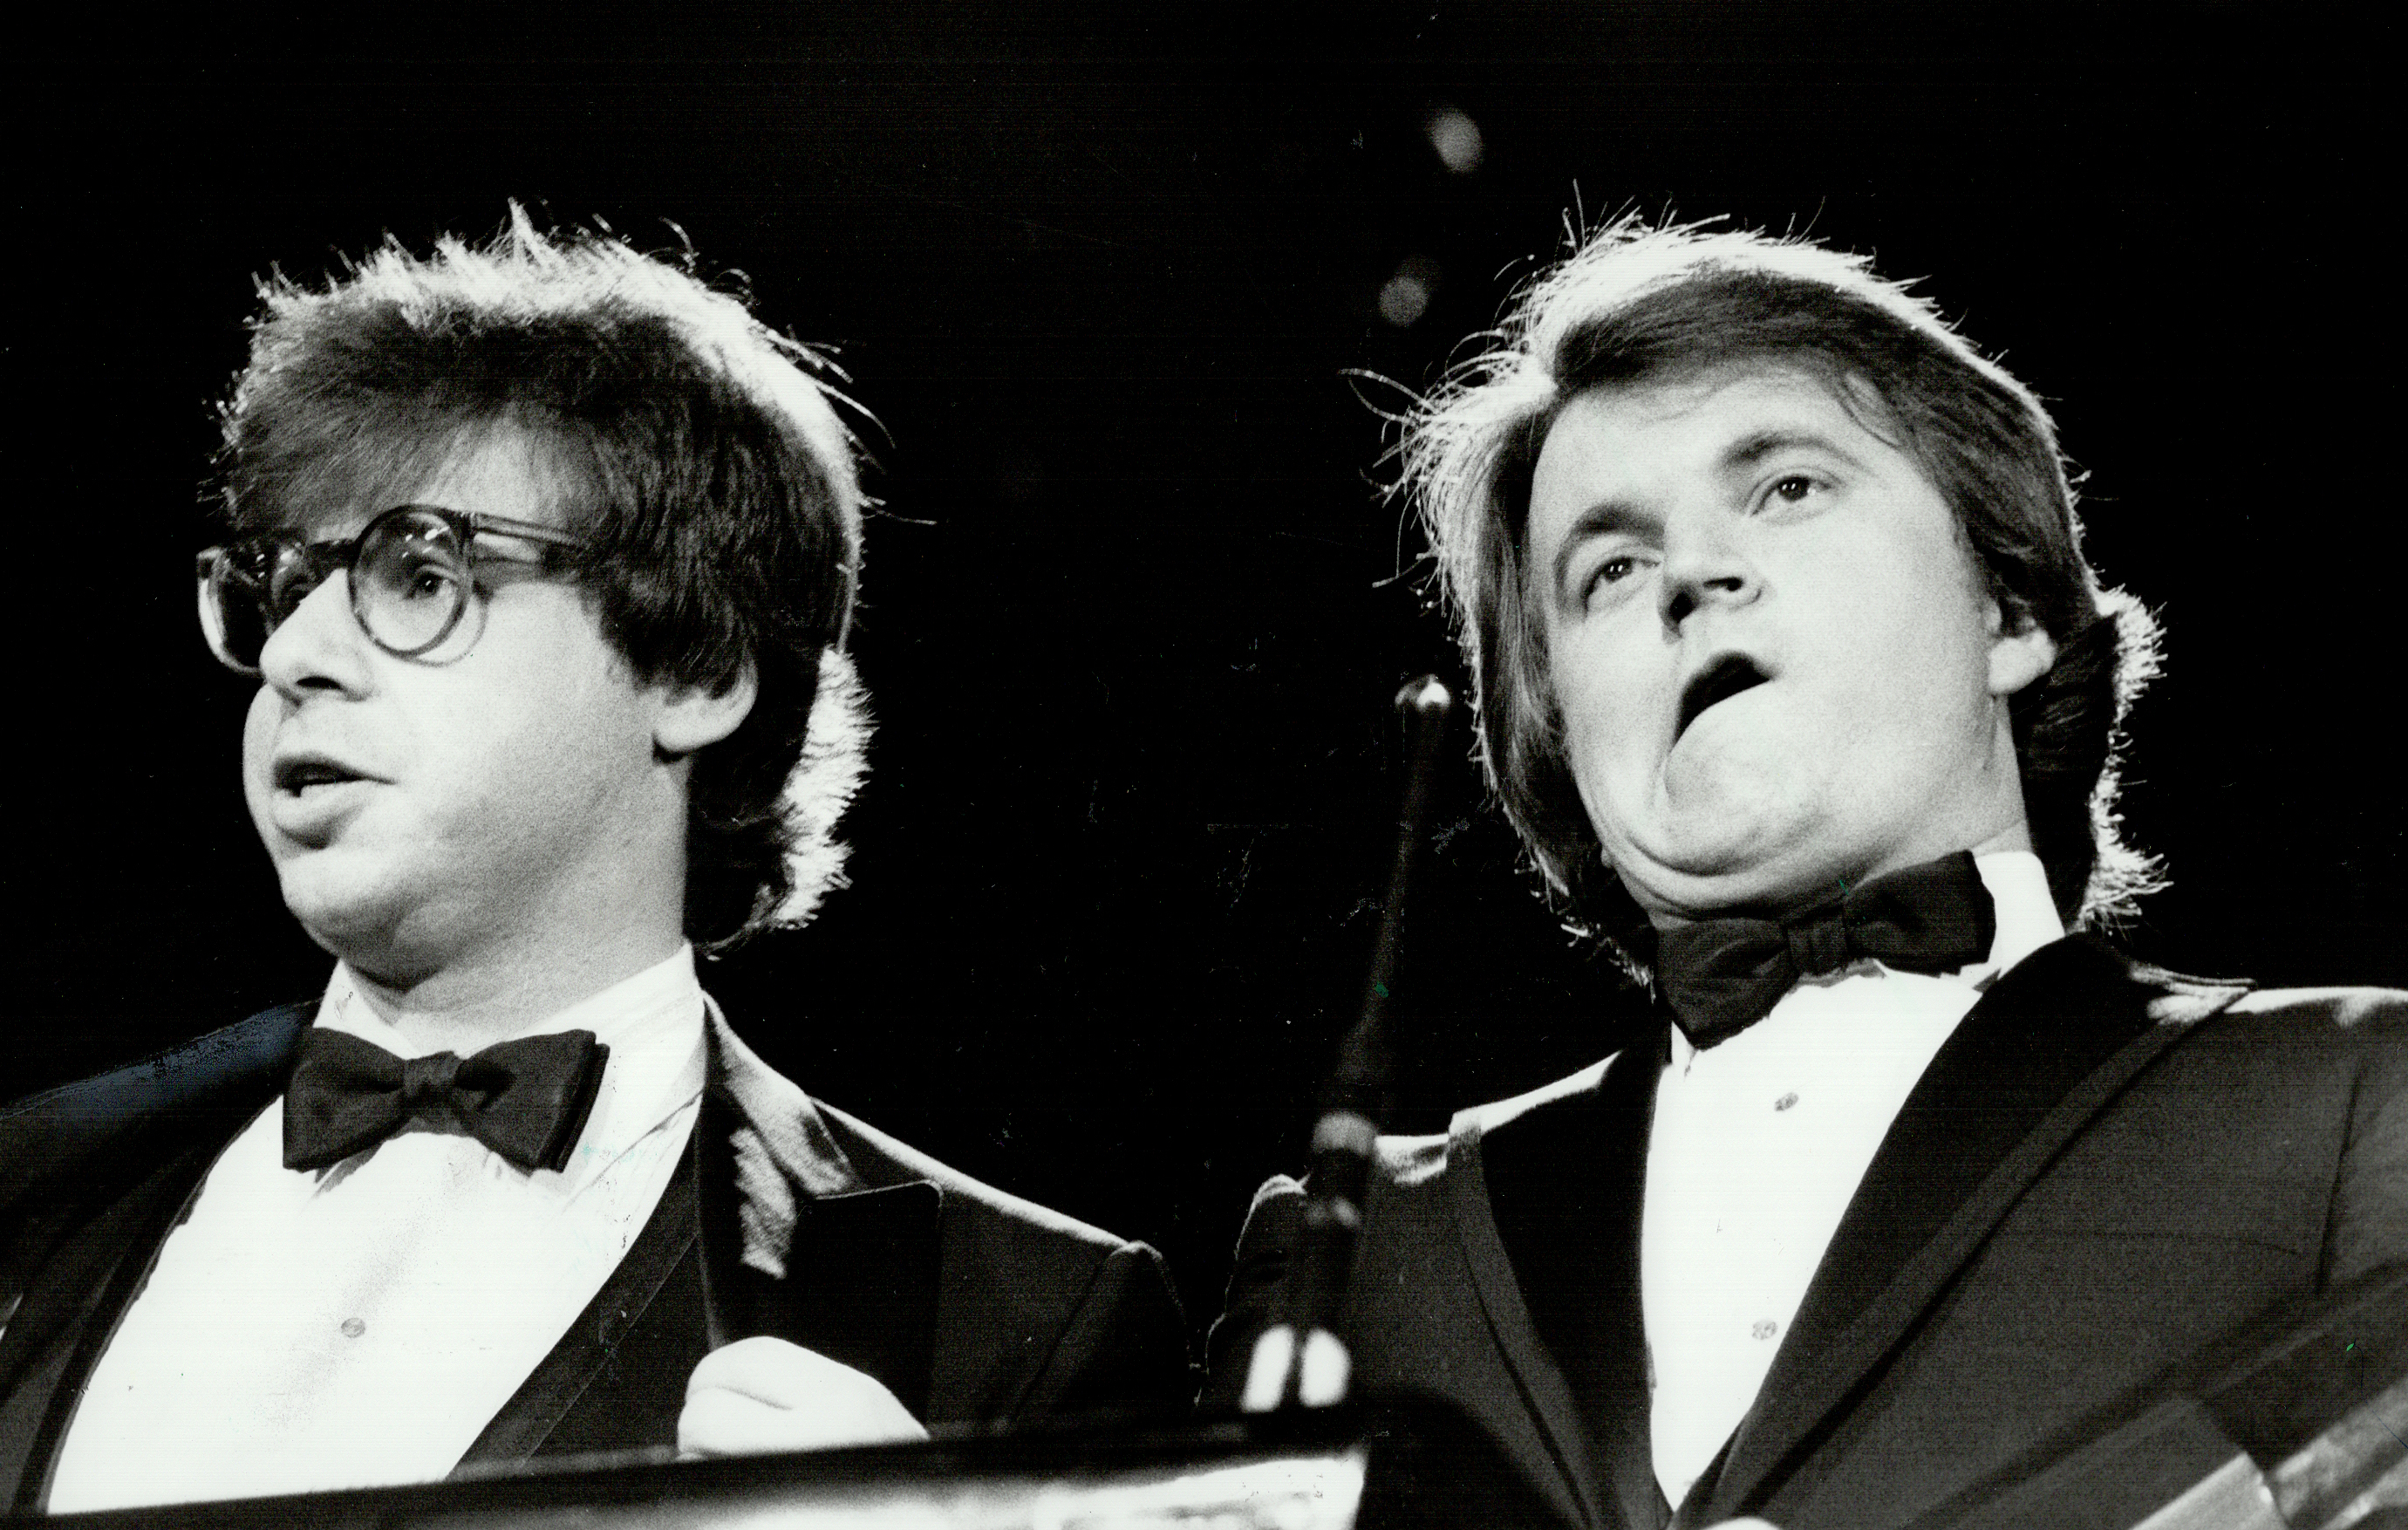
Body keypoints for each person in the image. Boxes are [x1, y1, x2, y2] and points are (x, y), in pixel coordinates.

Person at [1204, 219, 2406, 1528]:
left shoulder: (2354, 1096)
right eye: (1608, 570)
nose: (1692, 577)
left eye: (1784, 488)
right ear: (1560, 752)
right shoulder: (1362, 1250)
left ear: (2005, 610)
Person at [0, 213, 1190, 1513]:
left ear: (694, 669)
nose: (296, 655)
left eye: (420, 571)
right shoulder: (36, 1181)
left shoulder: (1012, 1315)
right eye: (286, 585)